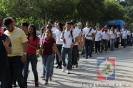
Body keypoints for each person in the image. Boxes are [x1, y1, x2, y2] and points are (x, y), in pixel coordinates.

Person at [4, 17, 27, 88]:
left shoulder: (20, 32)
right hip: (8, 58)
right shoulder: (5, 33)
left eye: (9, 26)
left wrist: (24, 54)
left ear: (12, 24)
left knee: (18, 74)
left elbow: (25, 43)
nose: (7, 28)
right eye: (6, 27)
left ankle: (23, 86)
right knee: (9, 77)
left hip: (18, 57)